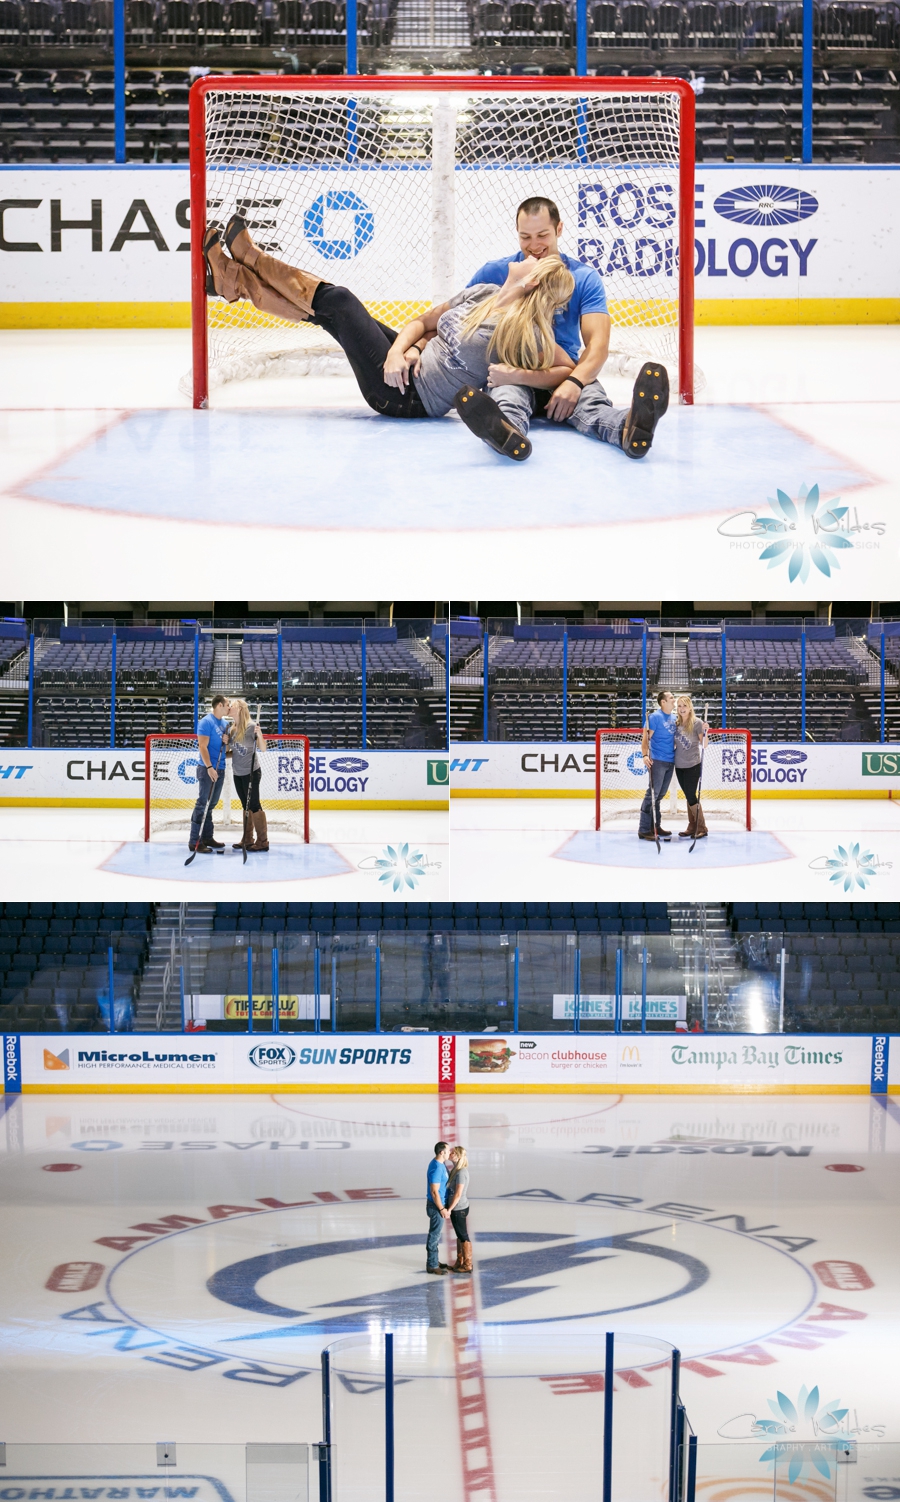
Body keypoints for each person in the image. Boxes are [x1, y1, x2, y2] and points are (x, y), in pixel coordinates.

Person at [204, 216, 575, 459]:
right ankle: (234, 276)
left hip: (406, 397)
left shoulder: (522, 331)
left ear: (532, 280)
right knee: (329, 312)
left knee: (340, 302)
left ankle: (247, 262)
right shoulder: (484, 293)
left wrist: (518, 377)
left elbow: (569, 368)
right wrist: (402, 348)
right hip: (407, 365)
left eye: (532, 259)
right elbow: (426, 321)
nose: (528, 252)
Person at [460, 195, 669, 460]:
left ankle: (630, 429)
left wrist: (574, 381)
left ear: (559, 229)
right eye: (525, 237)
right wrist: (414, 347)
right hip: (511, 370)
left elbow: (598, 346)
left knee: (592, 406)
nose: (533, 246)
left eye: (542, 235)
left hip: (563, 372)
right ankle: (505, 434)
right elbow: (456, 322)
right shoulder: (497, 272)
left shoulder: (584, 278)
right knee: (507, 400)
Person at [188, 694, 230, 854]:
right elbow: (202, 747)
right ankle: (194, 841)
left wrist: (227, 742)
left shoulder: (225, 724)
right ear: (219, 705)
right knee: (202, 804)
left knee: (211, 805)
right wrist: (209, 767)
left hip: (220, 768)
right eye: (227, 704)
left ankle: (207, 837)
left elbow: (224, 751)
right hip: (207, 769)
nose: (229, 707)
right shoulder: (206, 722)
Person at [227, 698, 269, 853]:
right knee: (245, 805)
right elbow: (232, 753)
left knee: (254, 805)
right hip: (237, 772)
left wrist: (260, 734)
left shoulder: (251, 727)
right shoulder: (232, 730)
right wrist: (225, 743)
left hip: (251, 772)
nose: (229, 707)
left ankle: (263, 841)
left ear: (240, 709)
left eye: (232, 705)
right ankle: (247, 838)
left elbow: (263, 748)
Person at [639, 689, 676, 842]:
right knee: (652, 794)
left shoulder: (675, 718)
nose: (674, 700)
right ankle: (644, 829)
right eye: (671, 698)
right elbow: (646, 739)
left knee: (659, 796)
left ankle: (656, 825)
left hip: (670, 760)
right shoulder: (654, 717)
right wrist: (645, 755)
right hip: (658, 760)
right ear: (663, 702)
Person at [674, 695, 709, 841]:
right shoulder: (675, 724)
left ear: (690, 707)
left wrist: (706, 732)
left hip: (693, 765)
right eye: (680, 706)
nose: (682, 709)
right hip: (679, 765)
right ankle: (691, 826)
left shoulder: (697, 723)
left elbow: (705, 745)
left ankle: (701, 827)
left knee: (691, 796)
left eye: (685, 706)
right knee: (689, 796)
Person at [425, 1141, 452, 1275]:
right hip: (436, 1207)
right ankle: (432, 1265)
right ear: (441, 1152)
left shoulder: (440, 1165)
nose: (449, 1153)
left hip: (438, 1205)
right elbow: (434, 1191)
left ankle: (434, 1260)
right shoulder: (436, 1167)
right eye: (448, 1151)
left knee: (436, 1235)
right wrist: (442, 1209)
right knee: (434, 1236)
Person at [445, 1145, 472, 1275]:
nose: (450, 1154)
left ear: (459, 1156)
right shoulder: (455, 1170)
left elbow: (458, 1194)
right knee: (459, 1235)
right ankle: (459, 1261)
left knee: (463, 1235)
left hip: (459, 1208)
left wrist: (449, 1208)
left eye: (453, 1153)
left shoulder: (461, 1172)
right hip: (457, 1208)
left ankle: (467, 1264)